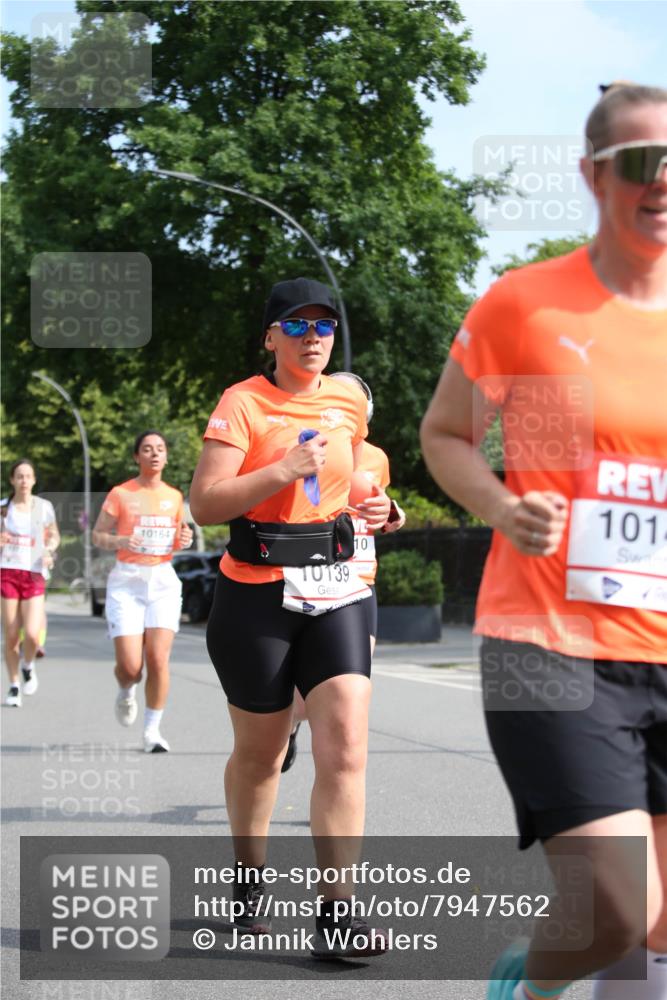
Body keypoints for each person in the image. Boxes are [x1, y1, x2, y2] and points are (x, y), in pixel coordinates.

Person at [421, 83, 667, 1000]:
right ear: (592, 176)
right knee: (615, 905)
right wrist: (498, 505)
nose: (662, 180)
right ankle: (525, 987)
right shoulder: (526, 304)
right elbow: (446, 434)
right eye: (641, 162)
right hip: (548, 644)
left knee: (659, 924)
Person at [190, 277, 391, 957]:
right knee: (261, 756)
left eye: (323, 326)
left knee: (347, 747)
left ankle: (338, 914)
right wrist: (282, 469)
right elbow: (206, 503)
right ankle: (249, 880)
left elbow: (354, 479)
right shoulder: (242, 402)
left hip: (337, 588)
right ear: (271, 337)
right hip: (256, 595)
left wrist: (382, 509)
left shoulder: (348, 401)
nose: (313, 338)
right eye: (297, 326)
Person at [281, 371, 406, 773]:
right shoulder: (305, 448)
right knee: (304, 700)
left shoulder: (377, 458)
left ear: (365, 414)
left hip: (359, 582)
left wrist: (393, 512)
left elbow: (380, 504)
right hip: (308, 579)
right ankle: (289, 725)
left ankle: (336, 777)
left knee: (350, 691)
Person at [92, 431, 193, 753]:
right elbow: (97, 535)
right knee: (131, 667)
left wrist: (184, 539)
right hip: (127, 581)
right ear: (137, 456)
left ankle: (152, 732)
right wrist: (120, 540)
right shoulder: (121, 493)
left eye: (160, 449)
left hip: (162, 581)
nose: (154, 454)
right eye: (147, 449)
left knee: (158, 659)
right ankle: (126, 689)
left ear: (166, 456)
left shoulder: (174, 496)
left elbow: (177, 536)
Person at [0, 459, 59, 707]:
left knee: (33, 635)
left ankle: (28, 664)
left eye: (28, 476)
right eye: (19, 476)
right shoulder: (3, 508)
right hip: (8, 571)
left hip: (34, 572)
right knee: (12, 635)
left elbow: (54, 535)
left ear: (34, 480)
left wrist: (49, 550)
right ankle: (14, 685)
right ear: (12, 480)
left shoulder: (42, 507)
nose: (24, 480)